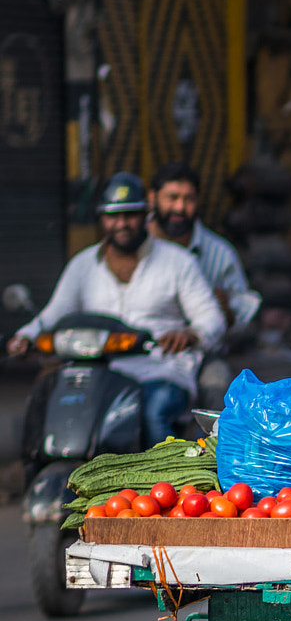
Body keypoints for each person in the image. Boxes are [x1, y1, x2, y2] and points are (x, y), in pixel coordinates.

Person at [11, 171, 225, 445]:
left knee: (152, 412)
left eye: (130, 215)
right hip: (98, 373)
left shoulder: (178, 262)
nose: (122, 224)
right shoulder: (83, 265)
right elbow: (54, 314)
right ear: (101, 218)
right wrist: (25, 336)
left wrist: (191, 333)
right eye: (113, 216)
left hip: (160, 370)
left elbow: (211, 317)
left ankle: (165, 483)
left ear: (146, 214)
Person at [148, 161, 260, 332]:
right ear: (152, 198)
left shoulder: (220, 254)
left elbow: (243, 315)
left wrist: (225, 308)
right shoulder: (135, 243)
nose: (180, 207)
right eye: (172, 197)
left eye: (189, 199)